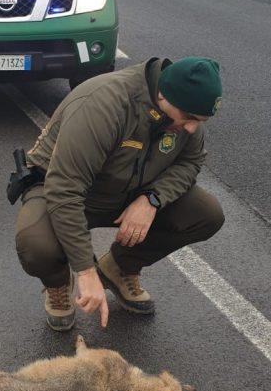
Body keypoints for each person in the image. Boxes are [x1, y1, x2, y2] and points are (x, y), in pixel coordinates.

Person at [15, 56, 224, 331]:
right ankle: (58, 283)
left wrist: (151, 199)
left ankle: (119, 266)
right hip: (64, 189)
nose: (192, 128)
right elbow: (65, 189)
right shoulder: (104, 104)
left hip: (129, 192)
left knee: (206, 214)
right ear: (162, 95)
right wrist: (85, 271)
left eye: (200, 120)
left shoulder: (184, 111)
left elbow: (191, 161)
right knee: (36, 243)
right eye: (188, 118)